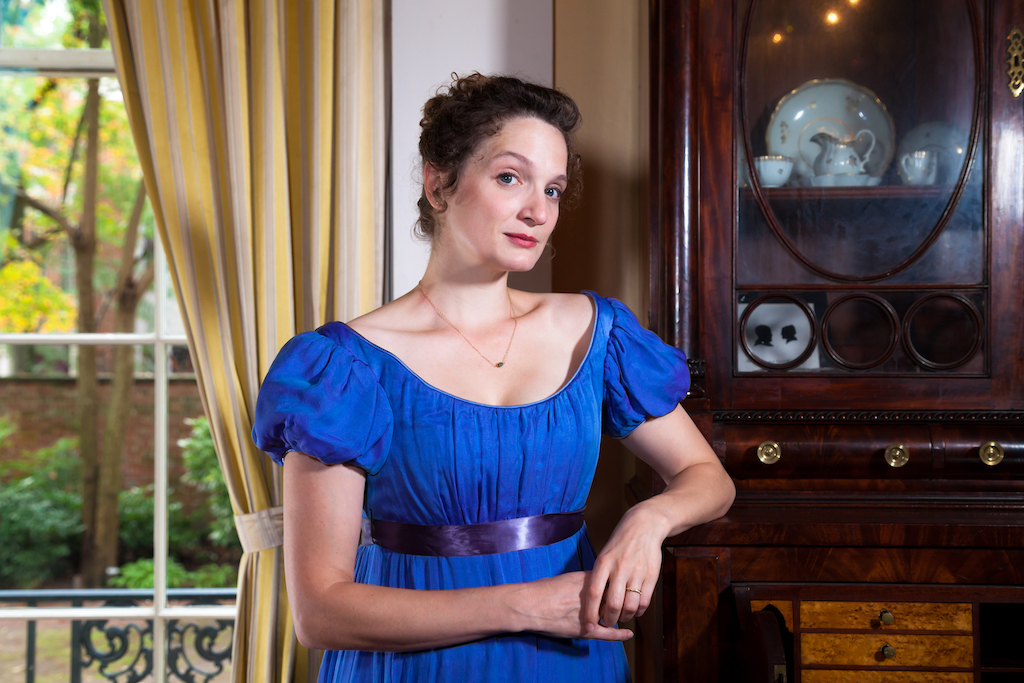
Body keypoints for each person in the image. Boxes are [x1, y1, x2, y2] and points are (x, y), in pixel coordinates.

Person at [252, 73, 735, 682]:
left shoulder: (596, 333)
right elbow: (320, 613)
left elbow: (708, 479)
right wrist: (525, 606)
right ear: (438, 184)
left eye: (553, 189)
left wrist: (650, 520)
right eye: (510, 178)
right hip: (411, 668)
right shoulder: (343, 366)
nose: (538, 210)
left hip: (569, 664)